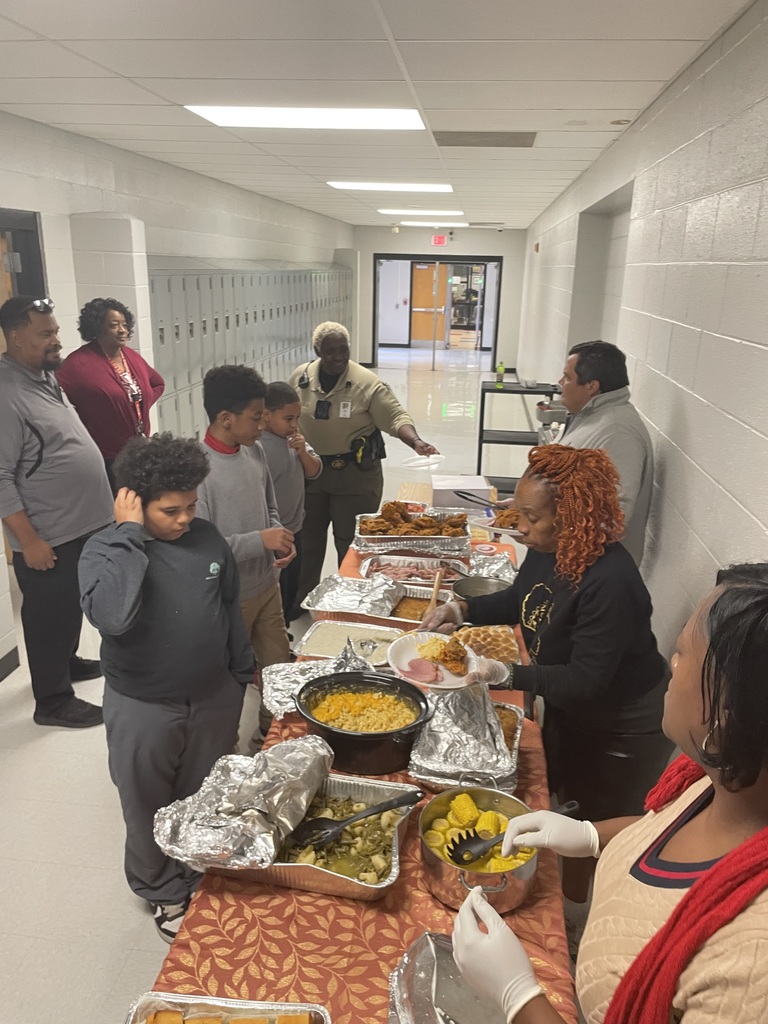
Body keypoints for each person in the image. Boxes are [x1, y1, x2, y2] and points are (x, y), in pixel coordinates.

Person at [452, 563, 768, 1024]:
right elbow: (661, 829)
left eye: (682, 654)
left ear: (727, 711)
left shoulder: (752, 967)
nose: (669, 664)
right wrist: (592, 836)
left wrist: (518, 998)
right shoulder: (717, 782)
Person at [422, 445, 672, 899]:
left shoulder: (611, 581)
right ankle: (568, 888)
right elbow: (522, 599)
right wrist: (462, 610)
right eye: (518, 513)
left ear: (571, 516)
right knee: (558, 794)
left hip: (623, 728)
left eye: (531, 518)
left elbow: (586, 680)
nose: (519, 527)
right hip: (572, 706)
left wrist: (504, 673)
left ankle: (576, 909)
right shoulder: (547, 549)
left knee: (590, 829)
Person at [78, 434, 254, 942]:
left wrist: (240, 677)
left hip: (212, 695)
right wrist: (128, 535)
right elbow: (114, 616)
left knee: (202, 792)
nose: (184, 519)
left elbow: (228, 608)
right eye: (170, 510)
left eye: (191, 506)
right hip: (143, 703)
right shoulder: (105, 550)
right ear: (133, 502)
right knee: (147, 803)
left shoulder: (206, 538)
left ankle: (197, 869)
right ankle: (160, 887)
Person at [0, 295, 112, 728]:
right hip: (50, 533)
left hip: (81, 525)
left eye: (55, 331)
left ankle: (65, 663)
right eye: (45, 333)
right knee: (48, 615)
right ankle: (52, 701)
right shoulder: (6, 393)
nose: (56, 340)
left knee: (69, 607)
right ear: (15, 337)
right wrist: (28, 540)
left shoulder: (43, 376)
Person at [288, 321, 439, 607]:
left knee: (352, 541)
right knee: (307, 540)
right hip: (309, 472)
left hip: (355, 475)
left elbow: (396, 417)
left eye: (343, 350)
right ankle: (301, 598)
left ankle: (353, 599)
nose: (338, 357)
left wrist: (416, 441)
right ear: (317, 351)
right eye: (330, 351)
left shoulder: (366, 383)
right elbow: (284, 414)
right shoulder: (301, 378)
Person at [195, 365, 295, 750]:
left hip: (267, 585)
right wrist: (260, 540)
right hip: (230, 597)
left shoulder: (254, 451)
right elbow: (205, 548)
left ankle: (269, 735)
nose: (263, 424)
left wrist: (279, 537)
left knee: (277, 665)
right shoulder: (200, 470)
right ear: (226, 418)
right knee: (231, 677)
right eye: (256, 417)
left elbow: (270, 506)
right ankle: (225, 747)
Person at [558, 340, 653, 565]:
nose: (560, 383)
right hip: (568, 553)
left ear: (591, 386)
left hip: (590, 565)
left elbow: (613, 518)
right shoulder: (588, 416)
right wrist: (532, 508)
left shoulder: (618, 433)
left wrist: (546, 524)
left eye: (567, 377)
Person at [57, 297, 165, 493]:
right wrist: (93, 419)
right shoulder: (78, 364)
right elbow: (58, 401)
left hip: (139, 450)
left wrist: (137, 407)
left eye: (124, 325)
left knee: (144, 499)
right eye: (114, 325)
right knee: (119, 505)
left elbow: (157, 383)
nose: (122, 330)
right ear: (98, 328)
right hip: (108, 457)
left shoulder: (130, 356)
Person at [260, 381, 323, 628]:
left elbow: (315, 471)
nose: (294, 424)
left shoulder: (295, 439)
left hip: (296, 528)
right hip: (276, 534)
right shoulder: (260, 448)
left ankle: (285, 627)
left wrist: (302, 452)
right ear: (267, 415)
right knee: (278, 592)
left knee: (292, 587)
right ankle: (279, 632)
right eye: (288, 418)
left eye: (297, 418)